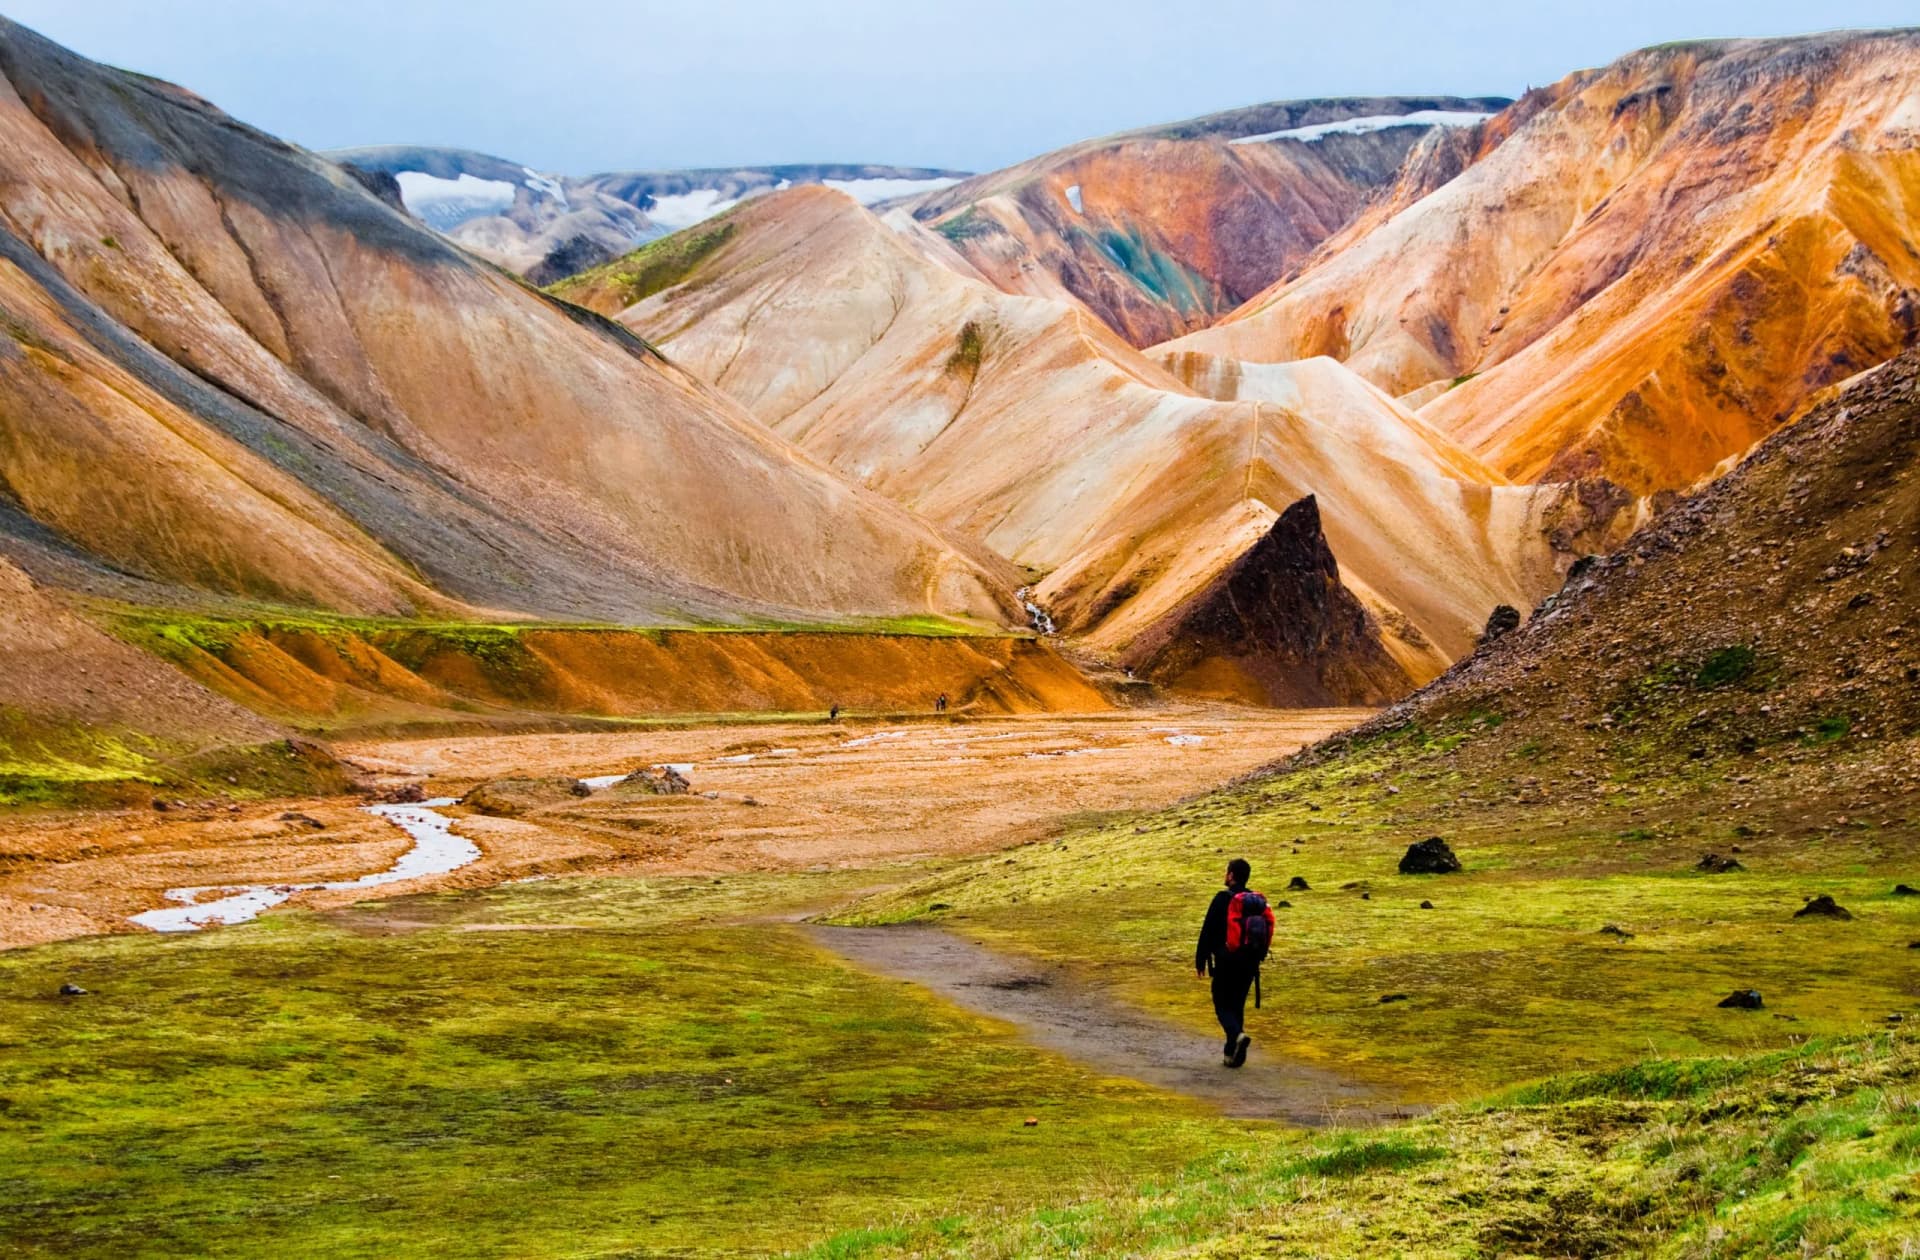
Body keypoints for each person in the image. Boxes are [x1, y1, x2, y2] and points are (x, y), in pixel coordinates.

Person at [1195, 857, 1272, 1068]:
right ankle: (1232, 1055)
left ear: (1231, 876)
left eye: (1226, 871)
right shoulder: (1255, 902)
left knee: (1221, 1003)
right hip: (1250, 963)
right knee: (1237, 1005)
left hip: (1227, 960)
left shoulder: (1222, 898)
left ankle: (1237, 1035)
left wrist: (1200, 959)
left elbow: (1207, 930)